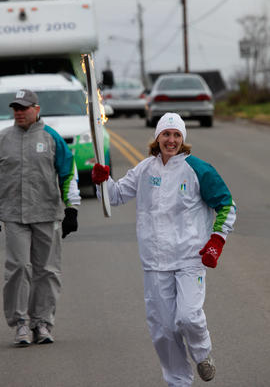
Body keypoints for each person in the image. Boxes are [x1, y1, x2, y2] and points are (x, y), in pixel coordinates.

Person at [91, 113, 236, 387]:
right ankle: (178, 381)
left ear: (183, 140)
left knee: (188, 316)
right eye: (166, 134)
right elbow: (116, 195)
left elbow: (227, 204)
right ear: (157, 138)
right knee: (164, 331)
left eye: (177, 135)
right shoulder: (146, 169)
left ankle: (203, 353)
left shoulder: (197, 169)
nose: (171, 140)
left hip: (189, 257)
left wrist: (216, 241)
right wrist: (102, 181)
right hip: (155, 261)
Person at [0, 89, 81, 346]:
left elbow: (68, 172)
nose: (19, 112)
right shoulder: (3, 139)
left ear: (36, 109)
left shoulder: (51, 138)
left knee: (47, 270)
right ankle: (21, 324)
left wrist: (72, 208)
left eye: (24, 108)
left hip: (47, 214)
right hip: (13, 214)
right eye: (16, 108)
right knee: (18, 268)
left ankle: (42, 322)